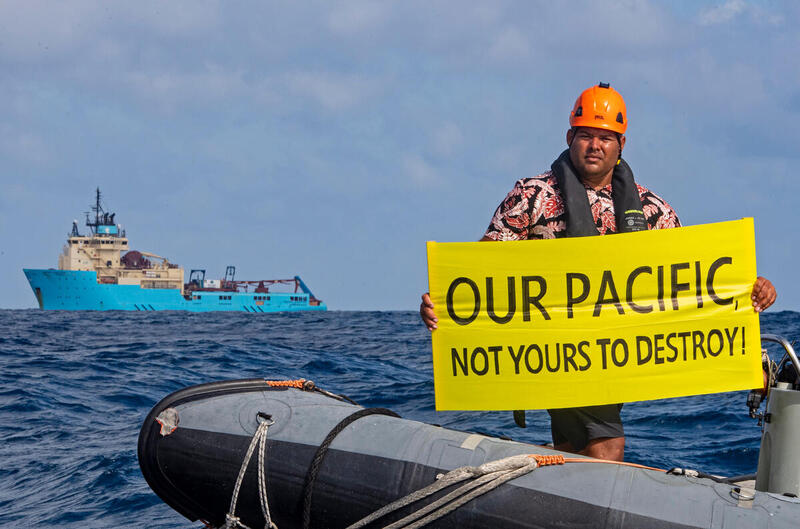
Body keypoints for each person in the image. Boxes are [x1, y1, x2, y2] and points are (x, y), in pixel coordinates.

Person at [419, 82, 777, 462]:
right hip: (551, 350)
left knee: (578, 448)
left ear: (622, 145)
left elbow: (695, 283)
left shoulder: (652, 210)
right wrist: (443, 300)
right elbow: (484, 268)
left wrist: (750, 289)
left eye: (606, 138)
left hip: (617, 356)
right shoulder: (532, 195)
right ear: (570, 137)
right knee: (607, 448)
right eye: (586, 135)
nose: (595, 146)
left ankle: (513, 467)